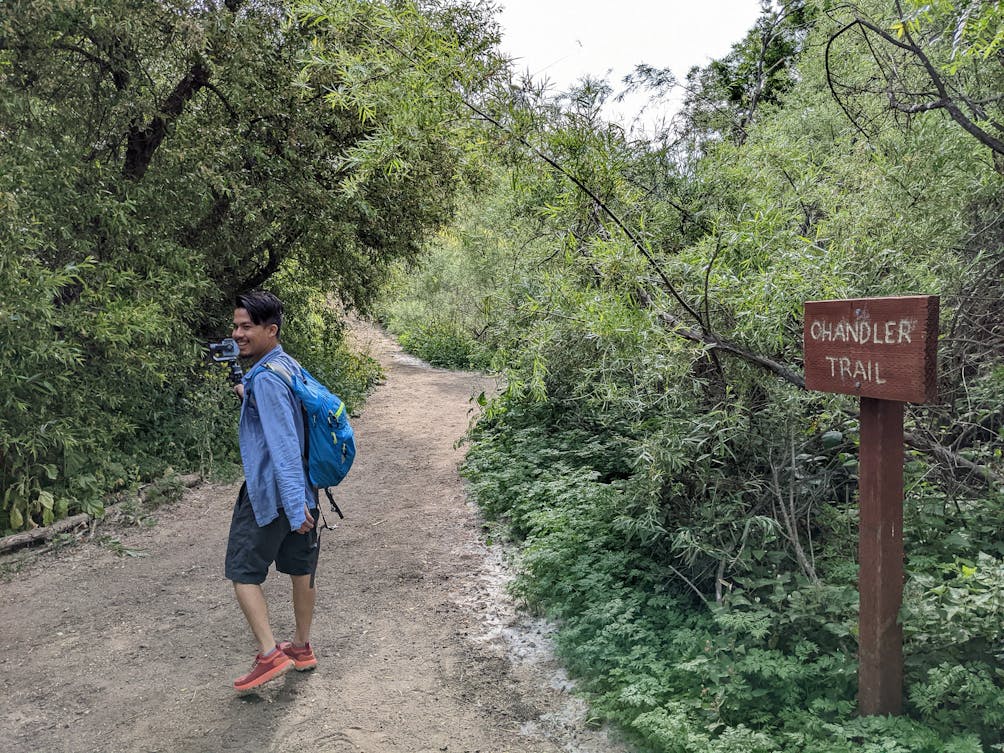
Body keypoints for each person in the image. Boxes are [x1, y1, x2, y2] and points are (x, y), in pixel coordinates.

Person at [225, 290, 319, 692]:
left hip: (275, 492)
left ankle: (269, 655)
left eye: (246, 327)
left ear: (270, 329)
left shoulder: (265, 377)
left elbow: (281, 444)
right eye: (235, 326)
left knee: (242, 571)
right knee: (301, 568)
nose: (237, 334)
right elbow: (288, 419)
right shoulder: (286, 366)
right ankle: (300, 647)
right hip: (304, 489)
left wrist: (295, 507)